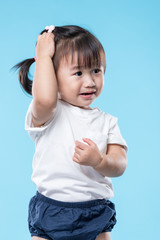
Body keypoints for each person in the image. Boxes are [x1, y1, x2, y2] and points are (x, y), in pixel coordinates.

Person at [13, 24, 128, 240]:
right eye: (78, 72)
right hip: (50, 210)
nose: (90, 81)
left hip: (95, 213)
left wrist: (100, 161)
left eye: (96, 70)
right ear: (53, 77)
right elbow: (45, 97)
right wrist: (43, 57)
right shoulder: (47, 112)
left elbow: (120, 164)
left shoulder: (107, 122)